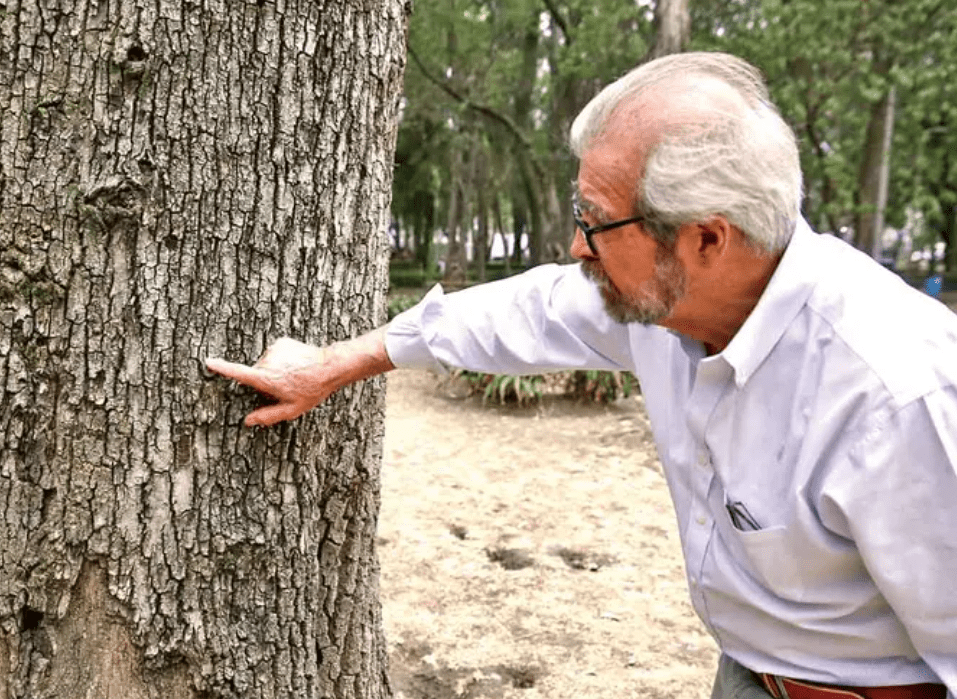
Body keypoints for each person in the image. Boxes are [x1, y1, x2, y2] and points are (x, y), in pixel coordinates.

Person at [206, 52, 957, 699]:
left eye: (596, 219)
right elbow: (524, 311)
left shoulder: (894, 396)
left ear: (704, 238)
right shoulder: (662, 302)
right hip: (750, 671)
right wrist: (340, 361)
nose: (575, 244)